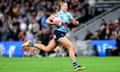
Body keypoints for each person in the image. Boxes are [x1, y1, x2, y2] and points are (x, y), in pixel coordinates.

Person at [22, 2, 85, 72]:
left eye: (66, 6)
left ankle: (30, 44)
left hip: (62, 34)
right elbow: (47, 21)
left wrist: (76, 22)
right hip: (58, 33)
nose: (66, 7)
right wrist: (54, 23)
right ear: (61, 7)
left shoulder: (68, 14)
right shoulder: (57, 14)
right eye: (64, 6)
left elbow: (74, 22)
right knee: (71, 47)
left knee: (47, 49)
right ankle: (75, 66)